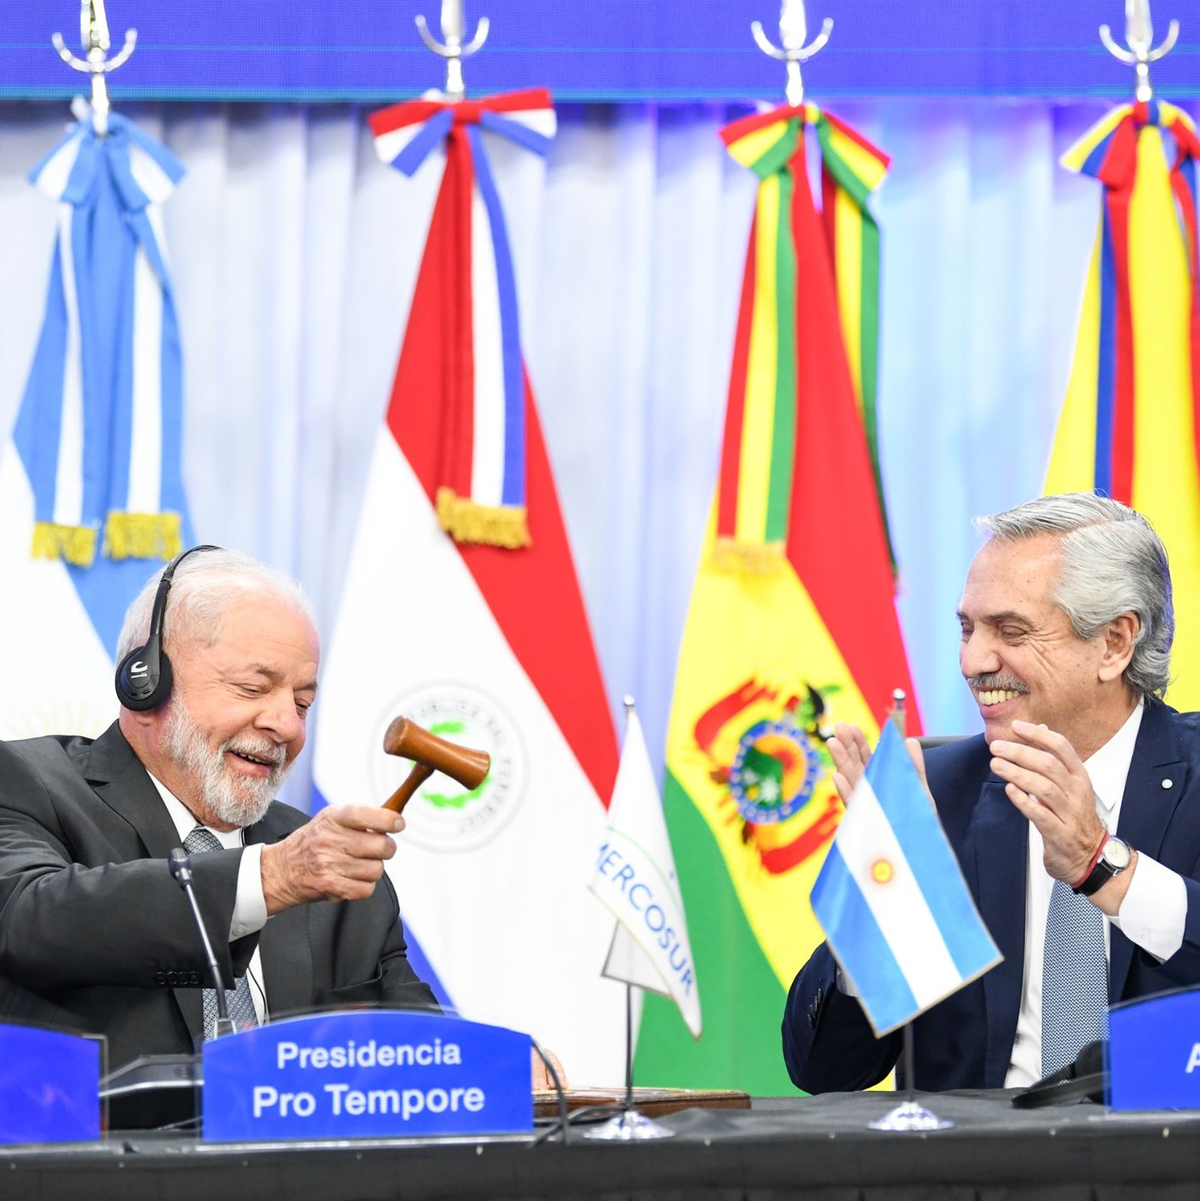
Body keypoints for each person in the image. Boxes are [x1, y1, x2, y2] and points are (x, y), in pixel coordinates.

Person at [783, 493, 1200, 1091]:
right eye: (967, 628)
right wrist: (886, 893)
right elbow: (824, 1071)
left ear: (1114, 643)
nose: (973, 660)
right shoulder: (937, 791)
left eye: (1011, 630)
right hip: (977, 1169)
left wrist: (1101, 866)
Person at [0, 547, 440, 1072]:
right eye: (253, 688)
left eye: (302, 703)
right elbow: (33, 922)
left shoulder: (328, 867)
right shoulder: (28, 784)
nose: (288, 726)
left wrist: (498, 1069)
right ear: (147, 681)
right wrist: (270, 879)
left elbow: (421, 1051)